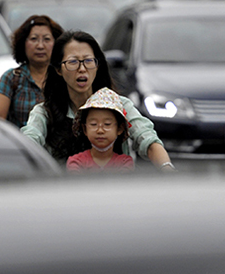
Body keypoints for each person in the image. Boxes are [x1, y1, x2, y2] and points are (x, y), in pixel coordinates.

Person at [21, 30, 175, 171]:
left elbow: (147, 138)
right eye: (73, 62)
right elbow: (29, 141)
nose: (82, 69)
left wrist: (167, 168)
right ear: (59, 69)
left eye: (88, 61)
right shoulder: (44, 112)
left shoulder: (120, 105)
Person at [0, 15, 64, 128]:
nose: (40, 46)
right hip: (21, 143)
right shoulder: (11, 78)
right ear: (23, 43)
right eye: (33, 39)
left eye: (47, 39)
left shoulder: (64, 77)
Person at [66, 87, 135, 172]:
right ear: (85, 129)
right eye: (93, 124)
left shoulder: (125, 163)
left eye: (107, 124)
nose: (100, 131)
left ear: (119, 129)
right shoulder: (75, 162)